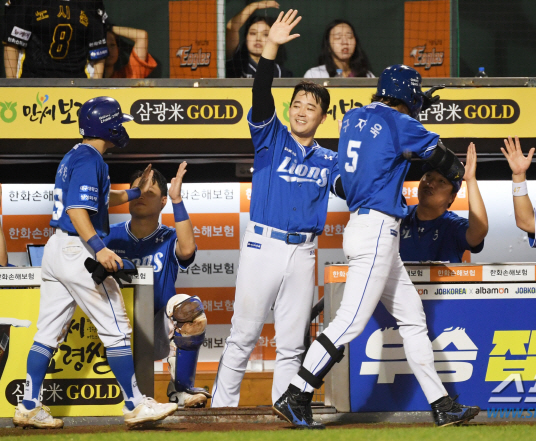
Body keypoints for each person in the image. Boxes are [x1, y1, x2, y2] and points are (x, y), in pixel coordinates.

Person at [273, 65, 480, 429]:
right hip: (377, 230)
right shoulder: (401, 123)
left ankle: (442, 405)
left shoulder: (353, 117)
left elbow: (360, 163)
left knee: (413, 320)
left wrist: (412, 114)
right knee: (349, 321)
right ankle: (297, 393)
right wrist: (418, 117)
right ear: (409, 97)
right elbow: (446, 161)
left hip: (370, 226)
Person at [12, 97, 177, 429]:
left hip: (57, 249)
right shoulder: (91, 160)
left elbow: (100, 198)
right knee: (116, 329)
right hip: (78, 249)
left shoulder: (77, 154)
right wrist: (99, 248)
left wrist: (134, 193)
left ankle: (28, 404)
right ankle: (135, 404)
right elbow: (77, 210)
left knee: (47, 333)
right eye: (120, 121)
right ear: (108, 125)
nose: (123, 127)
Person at [211, 10, 342, 409]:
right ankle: (219, 413)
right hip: (262, 246)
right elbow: (260, 91)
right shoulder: (272, 137)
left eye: (311, 107)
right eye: (298, 105)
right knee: (243, 336)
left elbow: (352, 187)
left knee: (290, 344)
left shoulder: (330, 159)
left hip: (303, 251)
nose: (302, 111)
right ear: (290, 110)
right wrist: (271, 48)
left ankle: (284, 414)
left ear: (323, 116)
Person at [103, 163, 210, 408]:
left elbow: (187, 250)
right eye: (136, 191)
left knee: (189, 308)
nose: (141, 196)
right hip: (115, 323)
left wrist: (177, 199)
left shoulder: (170, 235)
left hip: (158, 326)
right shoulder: (110, 235)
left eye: (149, 193)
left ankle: (181, 389)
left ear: (162, 201)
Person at [400, 143, 488, 263]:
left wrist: (470, 179)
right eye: (428, 176)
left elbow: (478, 232)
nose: (430, 184)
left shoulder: (453, 225)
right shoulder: (400, 215)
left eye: (441, 181)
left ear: (452, 197)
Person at [3, 0, 108, 78]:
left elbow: (98, 52)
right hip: (33, 79)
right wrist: (11, 84)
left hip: (77, 81)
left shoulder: (90, 3)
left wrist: (95, 86)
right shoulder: (27, 3)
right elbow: (12, 45)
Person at [225, 1, 292, 78]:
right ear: (245, 37)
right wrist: (254, 6)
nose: (258, 39)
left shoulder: (282, 73)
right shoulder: (236, 64)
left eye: (265, 34)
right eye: (253, 33)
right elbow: (232, 27)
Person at [303, 19, 374, 78]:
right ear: (328, 46)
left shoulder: (368, 76)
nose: (345, 42)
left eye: (350, 37)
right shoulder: (314, 75)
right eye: (338, 38)